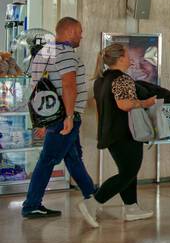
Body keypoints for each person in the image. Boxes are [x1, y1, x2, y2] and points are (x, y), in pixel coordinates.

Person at [21, 17, 99, 223]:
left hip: (53, 115)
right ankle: (31, 205)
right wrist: (70, 116)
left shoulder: (45, 52)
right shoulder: (65, 54)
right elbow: (68, 85)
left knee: (73, 157)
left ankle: (91, 195)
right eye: (80, 32)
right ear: (70, 31)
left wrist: (41, 121)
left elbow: (35, 87)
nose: (82, 36)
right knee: (48, 159)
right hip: (64, 117)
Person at [84, 42, 157, 224]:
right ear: (119, 59)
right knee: (128, 172)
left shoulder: (101, 80)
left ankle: (131, 207)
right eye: (127, 55)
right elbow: (124, 105)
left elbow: (101, 108)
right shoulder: (122, 79)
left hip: (110, 133)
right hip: (125, 133)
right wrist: (146, 103)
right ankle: (93, 203)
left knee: (127, 171)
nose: (130, 59)